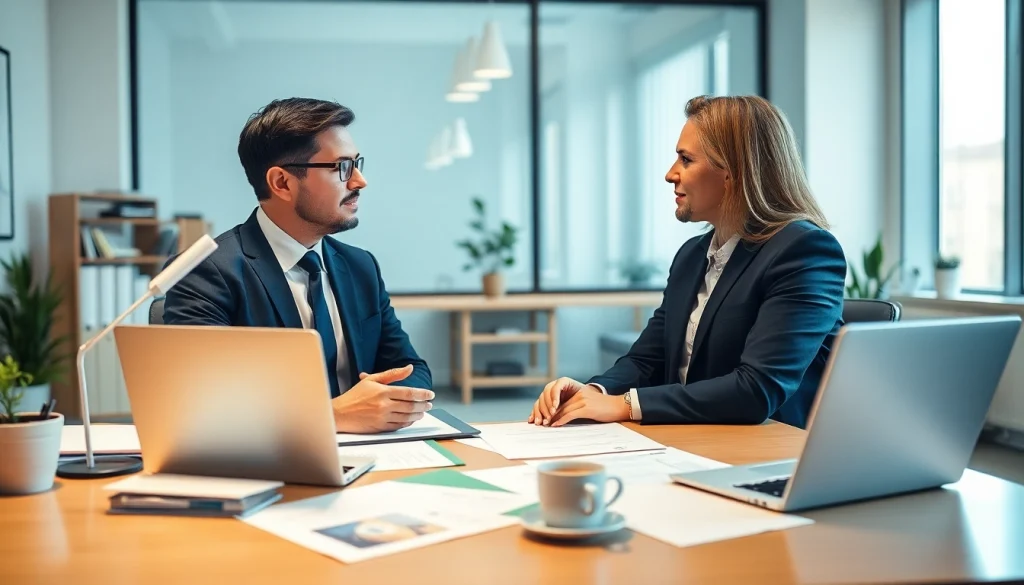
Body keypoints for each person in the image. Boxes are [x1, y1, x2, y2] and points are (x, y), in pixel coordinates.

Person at [528, 95, 846, 430]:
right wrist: (594, 391)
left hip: (765, 455)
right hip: (689, 440)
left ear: (732, 172)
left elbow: (756, 390)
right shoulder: (692, 255)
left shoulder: (804, 250)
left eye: (685, 159)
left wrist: (623, 405)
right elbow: (648, 358)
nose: (670, 174)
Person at [163, 97, 433, 434]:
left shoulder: (360, 266)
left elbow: (410, 368)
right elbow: (203, 401)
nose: (360, 181)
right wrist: (330, 415)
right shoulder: (204, 271)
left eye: (358, 163)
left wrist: (382, 403)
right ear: (282, 183)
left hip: (374, 452)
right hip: (270, 464)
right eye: (343, 167)